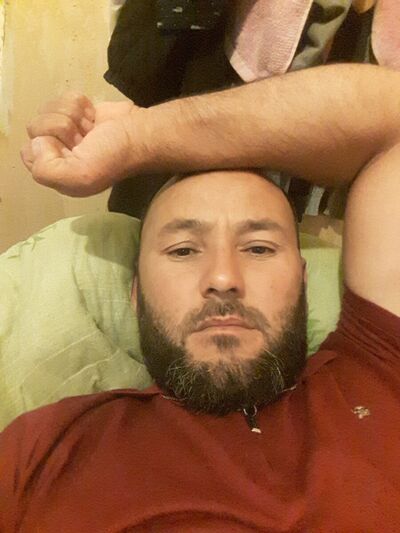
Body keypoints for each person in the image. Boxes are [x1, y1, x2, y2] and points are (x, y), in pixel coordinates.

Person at [1, 63, 399, 531]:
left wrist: (138, 135)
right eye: (184, 250)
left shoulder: (379, 372)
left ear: (304, 280)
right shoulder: (43, 450)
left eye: (258, 248)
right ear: (136, 294)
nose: (224, 278)